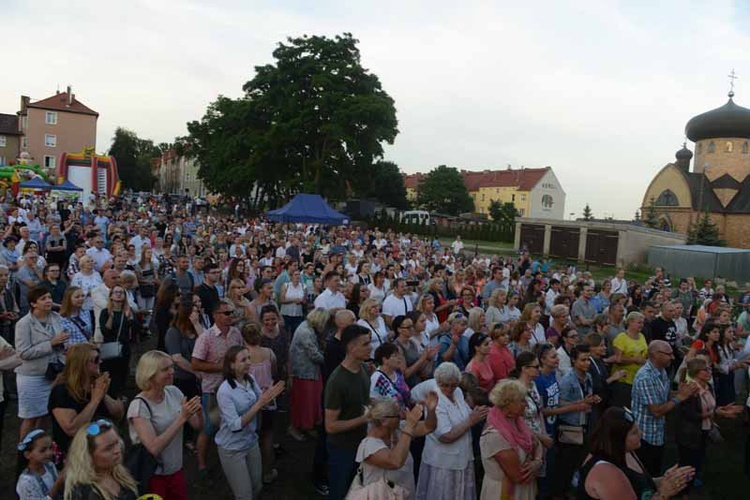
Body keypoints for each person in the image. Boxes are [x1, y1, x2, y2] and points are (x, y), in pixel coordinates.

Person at [127, 350, 203, 499]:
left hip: (176, 470)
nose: (172, 372)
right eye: (165, 369)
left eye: (172, 367)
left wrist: (198, 412)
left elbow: (197, 426)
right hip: (154, 476)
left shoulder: (173, 392)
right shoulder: (139, 407)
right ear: (150, 375)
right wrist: (181, 418)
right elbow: (153, 448)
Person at [577, 407, 695, 500]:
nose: (641, 433)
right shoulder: (605, 471)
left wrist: (664, 480)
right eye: (634, 433)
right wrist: (663, 494)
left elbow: (637, 484)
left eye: (638, 428)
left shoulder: (627, 452)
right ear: (618, 440)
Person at [216, 345, 285, 500]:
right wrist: (259, 404)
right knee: (244, 495)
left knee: (257, 486)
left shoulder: (251, 379)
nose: (248, 362)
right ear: (231, 365)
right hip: (232, 448)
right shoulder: (225, 391)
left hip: (250, 442)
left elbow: (262, 400)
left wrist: (270, 397)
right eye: (243, 360)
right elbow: (234, 426)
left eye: (249, 358)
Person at [415, 361, 488, 500]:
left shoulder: (458, 392)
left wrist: (478, 413)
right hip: (443, 463)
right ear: (438, 382)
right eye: (444, 385)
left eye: (453, 385)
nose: (449, 388)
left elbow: (465, 413)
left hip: (463, 458)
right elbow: (445, 436)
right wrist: (471, 421)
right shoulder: (435, 399)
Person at [191, 299, 244, 478]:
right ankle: (201, 464)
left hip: (234, 387)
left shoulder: (236, 333)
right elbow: (195, 364)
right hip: (212, 390)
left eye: (231, 313)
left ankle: (228, 457)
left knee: (229, 425)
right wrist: (222, 367)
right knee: (208, 428)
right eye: (227, 313)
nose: (231, 316)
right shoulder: (206, 337)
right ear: (215, 316)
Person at [631, 340, 699, 477]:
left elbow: (663, 397)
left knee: (655, 470)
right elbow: (656, 411)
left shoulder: (660, 371)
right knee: (647, 475)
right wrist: (680, 397)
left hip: (657, 433)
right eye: (669, 354)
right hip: (645, 436)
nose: (673, 357)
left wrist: (684, 392)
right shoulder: (645, 377)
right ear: (656, 355)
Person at [676, 357, 743, 491]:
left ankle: (693, 480)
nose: (709, 372)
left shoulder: (708, 386)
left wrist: (720, 409)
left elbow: (710, 406)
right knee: (688, 461)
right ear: (696, 372)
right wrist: (716, 413)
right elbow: (691, 415)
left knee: (699, 457)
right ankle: (683, 489)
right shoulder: (690, 390)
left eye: (709, 369)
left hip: (703, 430)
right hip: (690, 434)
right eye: (705, 370)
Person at [354, 396, 438, 499]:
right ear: (384, 421)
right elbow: (395, 461)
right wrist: (409, 426)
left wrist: (431, 410)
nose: (403, 416)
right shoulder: (368, 446)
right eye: (398, 415)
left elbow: (428, 427)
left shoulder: (398, 429)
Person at [324, 324, 372, 500]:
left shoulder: (363, 369)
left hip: (360, 443)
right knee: (340, 492)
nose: (370, 347)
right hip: (342, 448)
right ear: (351, 347)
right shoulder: (337, 381)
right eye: (365, 344)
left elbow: (362, 401)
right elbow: (330, 426)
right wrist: (364, 418)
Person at [49, 343, 124, 456]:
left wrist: (103, 395)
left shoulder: (98, 383)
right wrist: (95, 400)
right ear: (81, 364)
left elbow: (119, 414)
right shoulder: (62, 391)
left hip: (103, 448)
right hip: (75, 453)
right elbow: (71, 429)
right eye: (96, 359)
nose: (100, 362)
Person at [15, 286, 68, 440]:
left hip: (53, 374)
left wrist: (62, 344)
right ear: (33, 303)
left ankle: (41, 447)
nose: (49, 301)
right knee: (31, 417)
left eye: (50, 297)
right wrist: (50, 343)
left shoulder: (56, 317)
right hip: (32, 377)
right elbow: (23, 353)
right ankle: (24, 452)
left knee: (45, 413)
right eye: (43, 298)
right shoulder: (24, 324)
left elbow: (60, 340)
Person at [479, 379, 544, 500]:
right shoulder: (495, 435)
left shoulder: (518, 422)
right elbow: (518, 476)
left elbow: (537, 443)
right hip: (505, 493)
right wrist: (536, 463)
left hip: (522, 490)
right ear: (508, 404)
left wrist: (537, 462)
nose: (526, 404)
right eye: (522, 401)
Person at [556, 345, 600, 495]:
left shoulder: (587, 376)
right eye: (583, 360)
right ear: (573, 361)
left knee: (581, 460)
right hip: (570, 426)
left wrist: (592, 400)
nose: (587, 363)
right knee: (568, 463)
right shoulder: (567, 381)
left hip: (584, 423)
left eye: (588, 359)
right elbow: (559, 404)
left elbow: (586, 398)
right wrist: (580, 404)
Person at [243, 320, 282, 484]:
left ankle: (248, 473)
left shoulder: (242, 356)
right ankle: (267, 471)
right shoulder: (269, 353)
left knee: (249, 437)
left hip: (247, 401)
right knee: (267, 436)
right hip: (267, 400)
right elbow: (274, 371)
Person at [64, 419, 139, 500]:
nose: (117, 450)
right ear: (88, 455)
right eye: (108, 448)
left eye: (117, 443)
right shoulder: (83, 491)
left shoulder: (121, 474)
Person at [164, 302, 202, 457]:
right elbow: (177, 358)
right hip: (182, 377)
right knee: (184, 408)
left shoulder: (194, 328)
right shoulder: (173, 332)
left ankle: (196, 434)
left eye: (197, 311)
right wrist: (196, 372)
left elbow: (207, 340)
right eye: (193, 312)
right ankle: (185, 439)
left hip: (196, 376)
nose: (196, 314)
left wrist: (197, 324)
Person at [288, 307, 329, 441]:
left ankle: (308, 425)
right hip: (304, 371)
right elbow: (314, 354)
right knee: (303, 402)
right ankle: (296, 427)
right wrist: (329, 359)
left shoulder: (307, 326)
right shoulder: (306, 332)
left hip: (309, 371)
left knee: (311, 401)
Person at [99, 285, 134, 399]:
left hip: (124, 347)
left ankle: (120, 395)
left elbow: (135, 329)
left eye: (121, 292)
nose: (118, 294)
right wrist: (111, 317)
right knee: (109, 372)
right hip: (110, 346)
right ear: (111, 296)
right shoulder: (105, 312)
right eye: (116, 292)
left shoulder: (128, 311)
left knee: (122, 372)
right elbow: (105, 331)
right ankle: (107, 395)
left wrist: (130, 318)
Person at [611, 312, 649, 408]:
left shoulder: (642, 336)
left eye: (642, 323)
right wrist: (634, 360)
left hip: (637, 378)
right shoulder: (621, 338)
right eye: (639, 322)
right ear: (630, 322)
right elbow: (617, 358)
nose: (641, 325)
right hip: (623, 379)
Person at [16, 429, 65, 500]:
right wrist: (57, 486)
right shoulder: (26, 481)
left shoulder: (50, 465)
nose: (50, 453)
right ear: (28, 455)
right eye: (43, 450)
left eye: (50, 448)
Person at [370, 343, 411, 407]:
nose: (399, 358)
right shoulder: (377, 379)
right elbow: (373, 403)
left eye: (399, 354)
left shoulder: (398, 372)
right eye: (395, 355)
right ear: (385, 359)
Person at [280, 268, 306, 336]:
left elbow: (305, 301)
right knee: (285, 334)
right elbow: (281, 300)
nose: (297, 276)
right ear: (291, 276)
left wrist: (302, 301)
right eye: (295, 274)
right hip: (286, 314)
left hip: (298, 315)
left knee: (295, 334)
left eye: (299, 274)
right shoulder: (286, 285)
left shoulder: (303, 286)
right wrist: (293, 300)